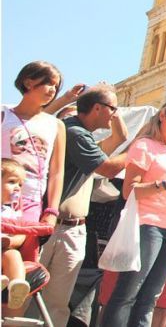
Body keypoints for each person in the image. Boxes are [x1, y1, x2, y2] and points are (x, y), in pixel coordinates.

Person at [100, 99, 166, 327]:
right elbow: (129, 191)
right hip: (147, 225)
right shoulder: (144, 145)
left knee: (150, 297)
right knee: (128, 292)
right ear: (163, 116)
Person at [38, 84, 130, 326]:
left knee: (58, 303)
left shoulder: (86, 140)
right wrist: (140, 150)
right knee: (29, 295)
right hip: (51, 227)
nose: (114, 113)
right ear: (97, 108)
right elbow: (109, 168)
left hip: (72, 229)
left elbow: (120, 139)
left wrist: (116, 112)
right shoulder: (75, 133)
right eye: (112, 108)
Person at [2, 61, 67, 232]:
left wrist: (52, 210)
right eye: (48, 82)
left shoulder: (56, 125)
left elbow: (57, 172)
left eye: (56, 85)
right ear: (28, 82)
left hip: (33, 202)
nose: (52, 89)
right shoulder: (4, 115)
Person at [1, 158, 32, 309]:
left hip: (3, 252)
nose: (17, 188)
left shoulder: (11, 212)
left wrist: (11, 241)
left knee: (13, 255)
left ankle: (17, 288)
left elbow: (20, 234)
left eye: (20, 184)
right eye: (12, 182)